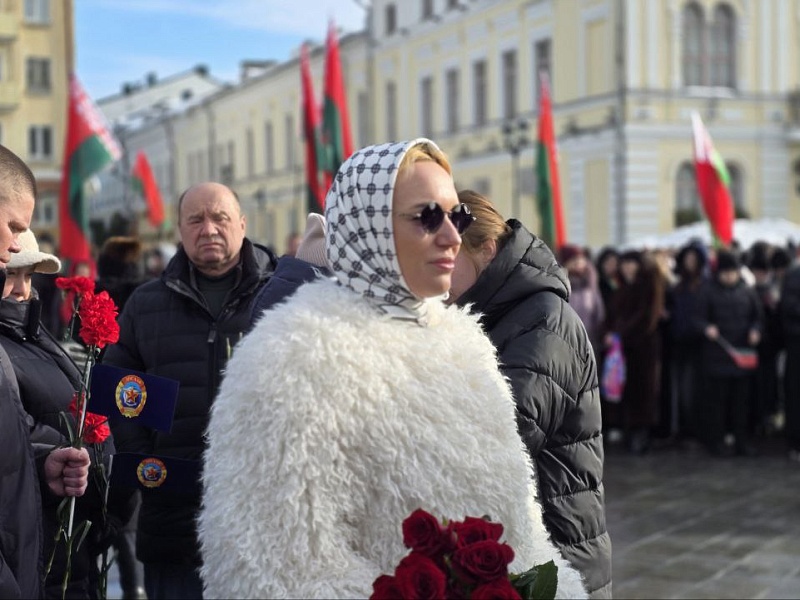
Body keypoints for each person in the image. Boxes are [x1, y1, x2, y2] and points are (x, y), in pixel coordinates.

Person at [199, 139, 587, 599]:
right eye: (427, 217)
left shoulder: (467, 344)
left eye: (456, 215)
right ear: (368, 227)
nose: (451, 236)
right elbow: (265, 568)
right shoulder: (291, 355)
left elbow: (522, 531)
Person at [102, 182, 277, 599]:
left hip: (264, 523)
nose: (209, 228)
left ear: (242, 224)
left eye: (220, 217)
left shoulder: (279, 298)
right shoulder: (145, 305)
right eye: (196, 220)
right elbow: (119, 393)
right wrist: (149, 465)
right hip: (173, 526)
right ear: (179, 230)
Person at [449, 190, 611, 598]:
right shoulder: (499, 312)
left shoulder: (544, 321)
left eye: (451, 260)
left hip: (558, 555)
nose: (439, 274)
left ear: (487, 249)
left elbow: (506, 435)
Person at [1, 229, 134, 599]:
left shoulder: (33, 333)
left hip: (71, 551)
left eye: (28, 276)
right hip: (38, 552)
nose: (21, 289)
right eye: (10, 274)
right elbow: (13, 434)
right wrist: (54, 457)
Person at [0, 143, 90, 599]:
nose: (15, 245)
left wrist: (42, 459)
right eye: (12, 227)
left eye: (29, 274)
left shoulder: (38, 333)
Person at [695, 249, 763, 457]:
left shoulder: (748, 292)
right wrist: (706, 328)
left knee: (740, 404)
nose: (729, 276)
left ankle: (741, 442)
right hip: (717, 357)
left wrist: (756, 331)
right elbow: (697, 319)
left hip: (742, 358)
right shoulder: (707, 291)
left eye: (732, 272)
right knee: (717, 404)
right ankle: (716, 443)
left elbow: (758, 318)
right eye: (725, 272)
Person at [605, 249, 667, 455]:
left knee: (644, 389)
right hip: (622, 349)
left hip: (643, 347)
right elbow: (613, 315)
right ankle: (628, 429)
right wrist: (609, 331)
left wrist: (619, 332)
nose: (628, 267)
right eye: (625, 263)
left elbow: (645, 316)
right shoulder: (621, 288)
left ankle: (641, 433)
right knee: (626, 389)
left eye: (632, 263)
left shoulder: (648, 286)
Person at [250, 212, 332, 326]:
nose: (294, 251)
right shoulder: (289, 292)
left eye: (297, 247)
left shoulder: (275, 285)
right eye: (292, 248)